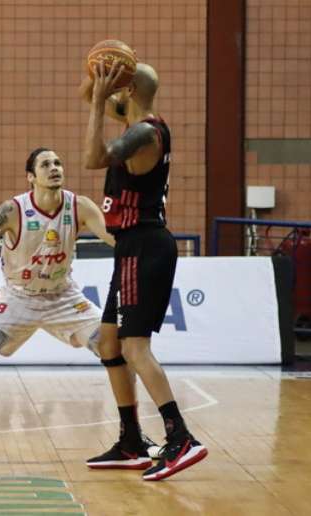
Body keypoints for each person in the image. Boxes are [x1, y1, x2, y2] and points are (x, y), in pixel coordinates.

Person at [0, 147, 159, 465]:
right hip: (18, 297)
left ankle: (133, 435)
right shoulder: (13, 210)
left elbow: (115, 238)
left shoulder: (79, 205)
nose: (54, 168)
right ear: (31, 177)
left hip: (64, 298)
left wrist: (144, 235)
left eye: (58, 162)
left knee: (116, 351)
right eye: (46, 164)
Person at [80, 61, 207, 481]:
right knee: (110, 344)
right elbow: (89, 97)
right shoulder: (138, 121)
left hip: (145, 244)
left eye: (121, 86)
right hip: (132, 245)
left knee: (136, 348)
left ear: (129, 89)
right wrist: (99, 81)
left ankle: (180, 436)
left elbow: (92, 158)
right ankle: (131, 439)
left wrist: (101, 99)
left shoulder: (143, 133)